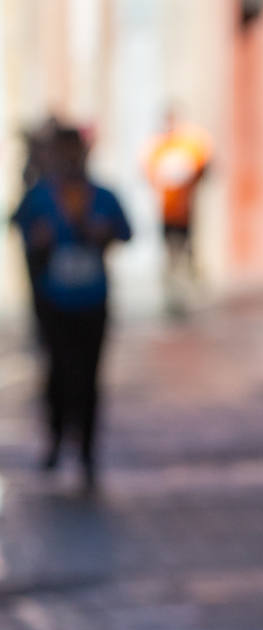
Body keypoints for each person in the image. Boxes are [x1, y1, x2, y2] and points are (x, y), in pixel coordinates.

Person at [10, 125, 132, 492]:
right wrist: (39, 242)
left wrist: (104, 234)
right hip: (55, 300)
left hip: (92, 299)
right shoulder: (41, 197)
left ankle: (87, 449)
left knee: (90, 375)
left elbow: (126, 231)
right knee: (58, 370)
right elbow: (19, 225)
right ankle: (57, 437)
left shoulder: (104, 195)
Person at [141, 107, 213, 315]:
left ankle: (185, 297)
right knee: (170, 255)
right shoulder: (158, 147)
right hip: (167, 211)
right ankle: (172, 299)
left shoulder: (190, 145)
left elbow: (204, 168)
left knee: (186, 254)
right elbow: (148, 172)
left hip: (186, 211)